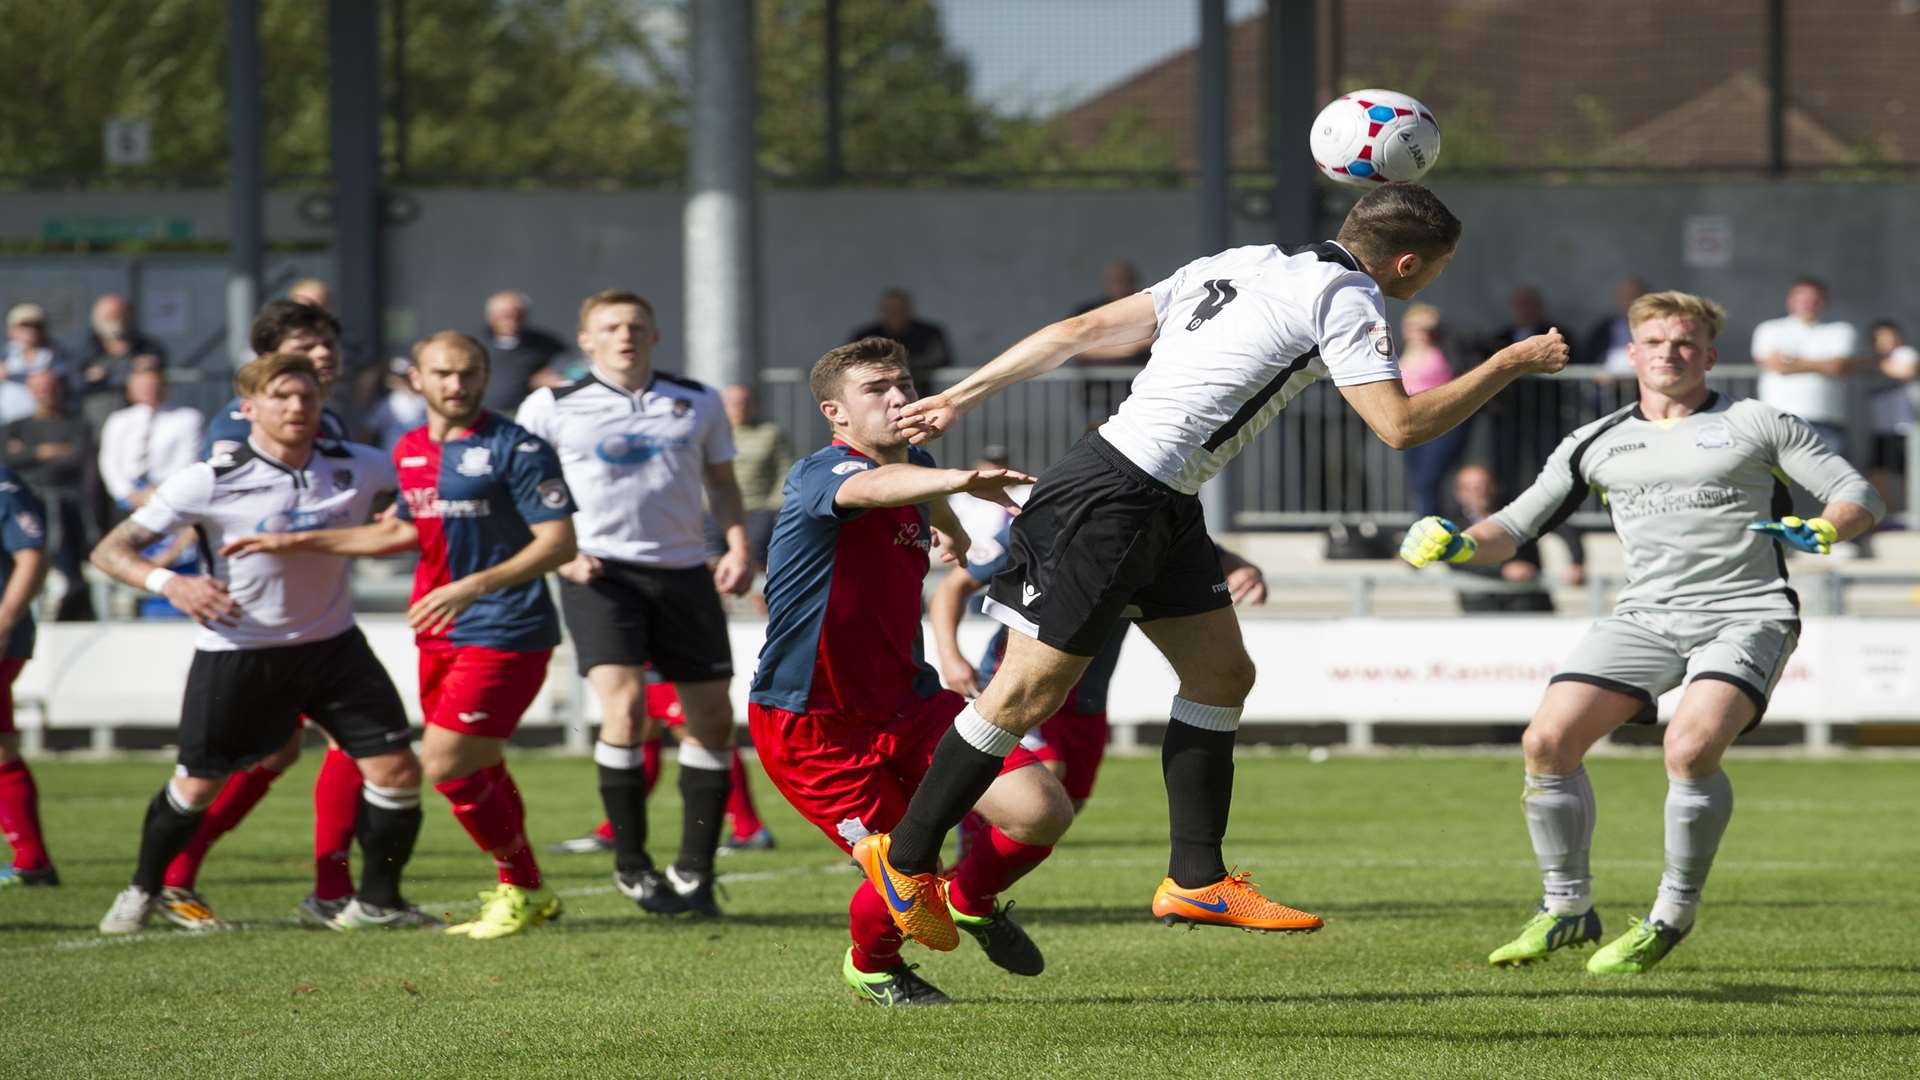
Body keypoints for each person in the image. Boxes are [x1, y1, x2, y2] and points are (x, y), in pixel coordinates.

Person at [849, 182, 1567, 951]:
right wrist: (1510, 363)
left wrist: (964, 392)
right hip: (1115, 495)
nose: (1431, 281)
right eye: (1436, 267)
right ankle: (908, 855)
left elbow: (1080, 328)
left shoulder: (1247, 261)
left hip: (1161, 497)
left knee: (1222, 674)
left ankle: (1196, 878)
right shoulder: (1350, 296)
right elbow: (1399, 425)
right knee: (1025, 692)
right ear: (1405, 262)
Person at [1399, 291, 1883, 974]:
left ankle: (1670, 915)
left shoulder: (1757, 421)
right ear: (1631, 354)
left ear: (1710, 355)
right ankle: (1566, 908)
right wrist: (1452, 542)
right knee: (1546, 741)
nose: (1669, 354)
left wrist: (1829, 526)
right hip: (1646, 616)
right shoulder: (1596, 441)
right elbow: (1510, 529)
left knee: (1687, 750)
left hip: (1746, 611)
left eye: (1684, 343)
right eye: (1654, 342)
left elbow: (1859, 494)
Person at [749, 336, 1072, 1006]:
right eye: (877, 389)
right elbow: (872, 486)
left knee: (1041, 811)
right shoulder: (820, 474)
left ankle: (972, 899)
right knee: (904, 867)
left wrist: (948, 523)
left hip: (911, 703)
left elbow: (911, 480)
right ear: (835, 413)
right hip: (814, 722)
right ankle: (873, 966)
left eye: (903, 383)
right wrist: (959, 484)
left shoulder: (918, 463)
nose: (900, 397)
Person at [223, 332, 578, 937]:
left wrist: (474, 586)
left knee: (445, 762)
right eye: (442, 374)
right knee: (480, 764)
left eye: (467, 373)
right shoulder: (410, 448)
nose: (455, 385)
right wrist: (294, 543)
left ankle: (521, 887)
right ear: (416, 379)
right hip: (439, 629)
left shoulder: (518, 447)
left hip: (506, 626)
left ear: (485, 377)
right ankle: (527, 891)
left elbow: (558, 544)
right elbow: (401, 533)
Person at [89, 352, 434, 934]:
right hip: (238, 650)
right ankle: (142, 888)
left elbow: (420, 511)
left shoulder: (364, 465)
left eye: (307, 397)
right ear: (248, 408)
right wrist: (171, 583)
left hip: (333, 647)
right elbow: (109, 551)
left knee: (397, 771)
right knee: (197, 786)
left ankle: (378, 902)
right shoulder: (209, 478)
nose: (297, 407)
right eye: (281, 396)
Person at [515, 289, 751, 916]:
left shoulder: (694, 400)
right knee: (625, 713)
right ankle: (631, 865)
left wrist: (735, 545)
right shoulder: (549, 405)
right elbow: (516, 490)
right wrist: (561, 552)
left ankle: (695, 871)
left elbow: (723, 484)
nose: (626, 336)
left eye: (637, 326)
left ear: (656, 335)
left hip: (683, 573)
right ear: (586, 340)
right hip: (600, 574)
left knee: (712, 720)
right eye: (611, 327)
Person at [171, 298, 366, 926]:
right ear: (266, 362)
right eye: (307, 346)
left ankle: (184, 876)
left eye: (328, 343)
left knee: (281, 752)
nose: (324, 354)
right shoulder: (238, 427)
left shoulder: (323, 421)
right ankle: (176, 877)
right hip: (257, 623)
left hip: (308, 618)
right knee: (231, 761)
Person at [931, 526, 1267, 815]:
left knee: (1068, 803)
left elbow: (1215, 556)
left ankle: (967, 874)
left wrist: (1243, 568)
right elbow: (952, 587)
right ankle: (959, 873)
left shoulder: (1158, 522)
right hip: (1027, 681)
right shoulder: (1043, 520)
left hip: (1087, 695)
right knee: (1038, 791)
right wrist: (951, 657)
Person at [548, 670, 777, 856]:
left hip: (667, 634)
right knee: (640, 727)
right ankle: (616, 830)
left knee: (694, 729)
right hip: (643, 640)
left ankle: (749, 829)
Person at [3, 370, 96, 622]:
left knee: (63, 563)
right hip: (24, 502)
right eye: (39, 388)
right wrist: (46, 451)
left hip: (62, 506)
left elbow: (75, 460)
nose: (45, 393)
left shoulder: (77, 424)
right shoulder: (15, 427)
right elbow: (8, 460)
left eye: (50, 387)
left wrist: (29, 453)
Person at [0, 468, 53, 886]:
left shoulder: (5, 487)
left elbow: (32, 556)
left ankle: (32, 860)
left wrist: (2, 623)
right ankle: (31, 859)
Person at [1751, 278, 1858, 459]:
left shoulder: (1842, 330)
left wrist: (1791, 361)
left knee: (1828, 484)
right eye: (1803, 299)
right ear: (1790, 301)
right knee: (1776, 485)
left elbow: (1838, 366)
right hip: (1777, 421)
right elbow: (1774, 364)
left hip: (1826, 420)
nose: (1809, 304)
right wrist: (1822, 364)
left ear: (1825, 302)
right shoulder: (1769, 329)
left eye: (1815, 299)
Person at [97, 357, 204, 514]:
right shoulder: (118, 420)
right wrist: (127, 493)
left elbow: (188, 459)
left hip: (169, 498)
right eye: (141, 386)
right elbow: (109, 461)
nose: (148, 390)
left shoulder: (187, 418)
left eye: (153, 385)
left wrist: (158, 493)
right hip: (127, 500)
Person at [1445, 463, 1554, 614]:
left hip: (1528, 603)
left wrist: (1576, 561)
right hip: (1482, 606)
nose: (1480, 492)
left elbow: (1562, 523)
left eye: (1484, 485)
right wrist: (1502, 570)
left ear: (1494, 486)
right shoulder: (1451, 526)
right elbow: (1457, 562)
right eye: (1472, 487)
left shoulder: (1517, 511)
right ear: (1459, 493)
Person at [716, 382, 792, 581]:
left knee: (755, 557)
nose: (739, 407)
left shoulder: (770, 432)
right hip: (714, 509)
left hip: (758, 507)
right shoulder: (713, 433)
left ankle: (757, 603)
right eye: (733, 403)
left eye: (744, 403)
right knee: (711, 557)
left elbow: (785, 469)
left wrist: (775, 505)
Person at [1397, 303, 1466, 518]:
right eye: (1413, 327)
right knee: (1419, 481)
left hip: (1441, 422)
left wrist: (1434, 324)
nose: (1420, 333)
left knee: (1429, 479)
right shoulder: (1401, 353)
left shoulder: (1447, 349)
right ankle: (1428, 528)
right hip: (1412, 423)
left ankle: (1430, 530)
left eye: (1424, 328)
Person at [78, 293, 170, 424]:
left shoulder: (148, 347)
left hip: (139, 417)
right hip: (98, 416)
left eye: (118, 315)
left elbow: (157, 376)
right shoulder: (87, 350)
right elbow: (76, 381)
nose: (114, 320)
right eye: (108, 316)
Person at [847, 288, 953, 394]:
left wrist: (888, 366)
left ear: (909, 309)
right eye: (891, 309)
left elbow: (940, 359)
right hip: (876, 393)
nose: (896, 313)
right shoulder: (865, 335)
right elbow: (852, 361)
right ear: (882, 310)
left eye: (900, 309)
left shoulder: (930, 333)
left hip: (920, 393)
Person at [480, 291, 569, 415]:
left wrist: (549, 376)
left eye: (518, 315)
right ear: (491, 316)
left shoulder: (544, 344)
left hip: (525, 413)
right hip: (483, 414)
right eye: (505, 316)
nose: (511, 321)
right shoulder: (474, 344)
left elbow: (565, 367)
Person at [1866, 320, 1917, 514]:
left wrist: (1877, 364)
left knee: (1909, 475)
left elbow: (1907, 370)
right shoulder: (1873, 361)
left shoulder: (1904, 354)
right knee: (1877, 473)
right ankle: (1885, 515)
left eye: (1890, 337)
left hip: (1905, 428)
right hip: (1882, 429)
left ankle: (1911, 514)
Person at [1582, 276, 1649, 378]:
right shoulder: (1603, 330)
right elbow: (1589, 360)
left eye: (1634, 296)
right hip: (1609, 389)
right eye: (1624, 297)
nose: (1629, 302)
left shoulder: (1656, 327)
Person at [362, 355, 429, 450]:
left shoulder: (424, 400)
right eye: (394, 376)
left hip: (421, 456)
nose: (398, 380)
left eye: (403, 377)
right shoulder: (388, 402)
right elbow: (369, 431)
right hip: (394, 458)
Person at [4, 304, 74, 388]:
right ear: (11, 330)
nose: (30, 331)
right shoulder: (4, 353)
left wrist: (11, 376)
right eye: (24, 325)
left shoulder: (55, 354)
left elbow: (66, 376)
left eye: (36, 326)